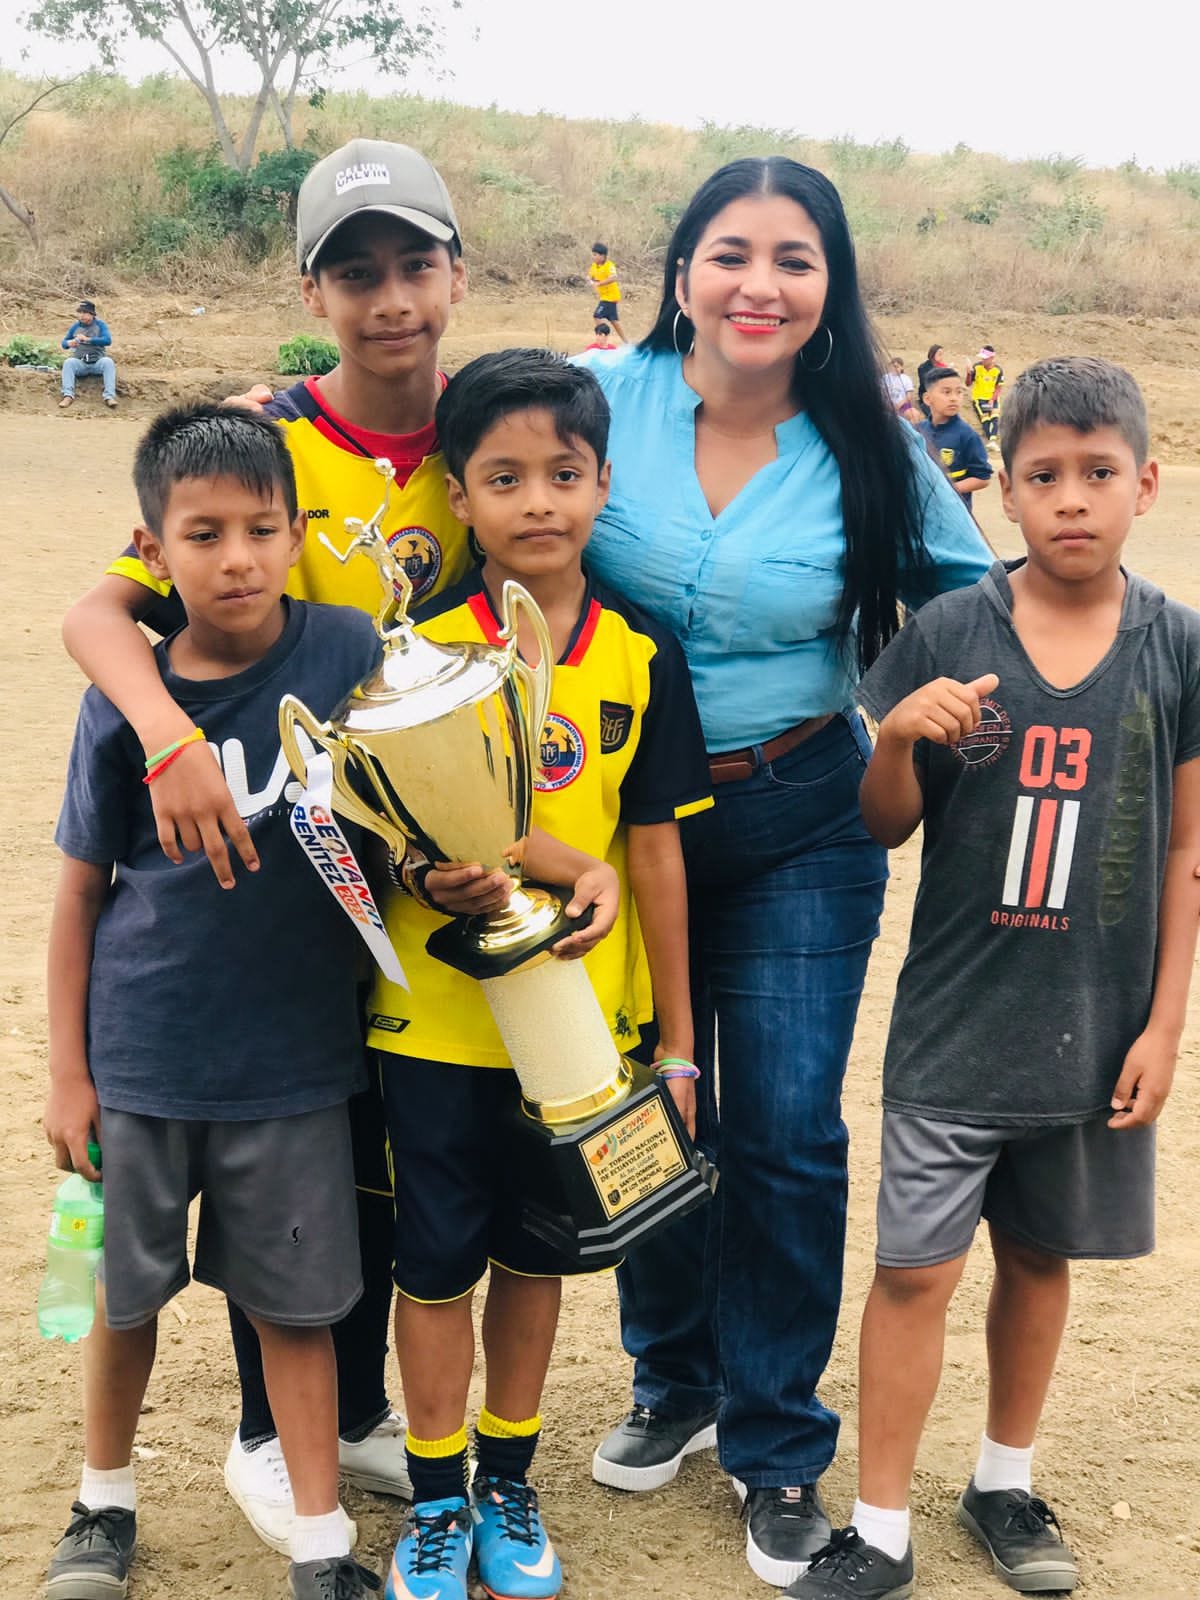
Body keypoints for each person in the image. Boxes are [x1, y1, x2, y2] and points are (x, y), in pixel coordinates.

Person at [58, 139, 619, 1557]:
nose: (390, 298)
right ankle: (258, 1439)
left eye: (415, 264)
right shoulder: (266, 444)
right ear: (312, 290)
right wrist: (165, 738)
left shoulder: (496, 436)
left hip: (424, 889)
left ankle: (350, 1420)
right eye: (354, 272)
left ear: (458, 274)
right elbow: (99, 613)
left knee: (354, 1176)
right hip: (278, 898)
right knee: (222, 1209)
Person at [576, 157, 993, 1589]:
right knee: (644, 1105)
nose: (761, 284)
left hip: (800, 817)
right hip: (614, 827)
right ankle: (673, 1376)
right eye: (732, 252)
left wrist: (920, 712)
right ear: (681, 269)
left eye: (795, 259)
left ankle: (774, 1440)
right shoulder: (597, 399)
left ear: (832, 286)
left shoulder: (875, 447)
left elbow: (973, 602)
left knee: (788, 1130)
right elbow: (463, 477)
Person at [788, 356, 1200, 1600]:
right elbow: (884, 823)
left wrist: (1164, 1028)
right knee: (914, 1269)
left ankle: (1002, 1482)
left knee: (1038, 1254)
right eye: (1044, 475)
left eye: (1098, 473)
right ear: (1001, 491)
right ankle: (880, 1526)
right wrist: (897, 736)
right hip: (954, 1021)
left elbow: (1187, 851)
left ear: (1145, 483)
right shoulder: (951, 630)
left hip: (1094, 1029)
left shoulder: (1177, 644)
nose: (1072, 498)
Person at [370, 349, 712, 1600]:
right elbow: (381, 835)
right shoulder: (411, 656)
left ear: (603, 482)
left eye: (564, 474)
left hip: (580, 1032)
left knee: (537, 1260)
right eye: (503, 477)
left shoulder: (641, 652)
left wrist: (677, 1042)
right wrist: (431, 873)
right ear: (458, 494)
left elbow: (657, 851)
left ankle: (509, 1483)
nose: (537, 502)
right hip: (435, 1025)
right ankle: (437, 1501)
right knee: (433, 1264)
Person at [42, 403, 385, 1600]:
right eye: (203, 534)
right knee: (113, 1295)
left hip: (295, 1067)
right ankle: (102, 1502)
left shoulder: (348, 651)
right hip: (141, 1059)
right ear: (153, 548)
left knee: (294, 1311)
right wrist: (69, 1075)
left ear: (296, 533)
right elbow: (79, 894)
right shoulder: (121, 701)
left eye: (260, 528)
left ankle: (322, 1541)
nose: (236, 558)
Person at [918, 367, 993, 513]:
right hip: (923, 510)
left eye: (959, 392)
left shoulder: (967, 435)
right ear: (927, 399)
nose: (954, 398)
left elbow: (983, 478)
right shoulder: (918, 431)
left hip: (954, 512)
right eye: (946, 392)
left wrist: (948, 490)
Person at [59, 300, 117, 409]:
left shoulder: (100, 325)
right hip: (80, 362)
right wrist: (69, 343)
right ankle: (68, 396)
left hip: (97, 362)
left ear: (92, 314)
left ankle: (109, 396)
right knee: (68, 362)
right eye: (80, 313)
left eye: (85, 313)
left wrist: (88, 339)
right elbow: (64, 343)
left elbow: (107, 340)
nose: (82, 316)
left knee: (108, 362)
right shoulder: (75, 326)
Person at [967, 345, 1004, 452]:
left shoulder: (998, 370)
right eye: (982, 358)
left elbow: (998, 388)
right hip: (980, 398)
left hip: (992, 398)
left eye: (985, 358)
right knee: (986, 418)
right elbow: (968, 383)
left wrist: (992, 399)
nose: (983, 360)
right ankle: (992, 441)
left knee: (995, 417)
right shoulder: (977, 367)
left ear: (992, 358)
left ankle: (992, 441)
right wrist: (969, 374)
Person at [588, 242, 626, 343]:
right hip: (604, 297)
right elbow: (590, 277)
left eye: (595, 255)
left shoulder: (609, 265)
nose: (593, 257)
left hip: (610, 297)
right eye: (593, 254)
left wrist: (599, 283)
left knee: (597, 316)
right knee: (614, 321)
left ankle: (602, 338)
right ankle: (626, 342)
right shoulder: (594, 266)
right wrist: (591, 281)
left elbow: (614, 277)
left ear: (602, 256)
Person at [916, 342, 946, 410]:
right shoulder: (923, 367)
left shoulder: (941, 367)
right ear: (932, 354)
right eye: (939, 354)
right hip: (927, 395)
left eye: (942, 354)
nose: (941, 357)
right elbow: (926, 383)